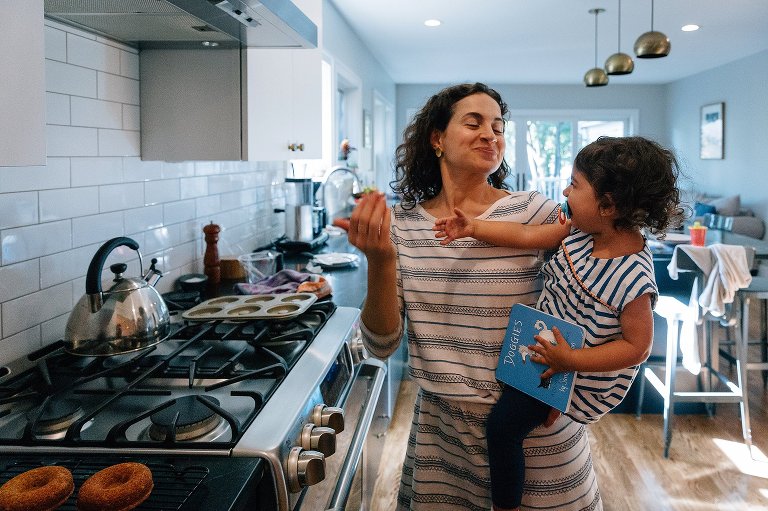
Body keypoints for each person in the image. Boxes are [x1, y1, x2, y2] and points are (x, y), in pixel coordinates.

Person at [349, 82, 602, 511]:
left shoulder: (535, 213)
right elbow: (381, 344)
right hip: (442, 443)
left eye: (498, 126)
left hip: (534, 433)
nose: (491, 134)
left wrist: (573, 383)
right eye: (474, 122)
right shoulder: (403, 226)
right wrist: (380, 260)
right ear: (437, 138)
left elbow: (593, 295)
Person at [433, 135, 684, 511]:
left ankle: (506, 506)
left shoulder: (632, 276)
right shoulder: (582, 231)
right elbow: (526, 235)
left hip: (576, 367)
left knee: (502, 429)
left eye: (576, 184)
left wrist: (570, 363)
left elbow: (638, 347)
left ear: (608, 205)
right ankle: (550, 400)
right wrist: (474, 228)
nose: (565, 191)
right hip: (554, 354)